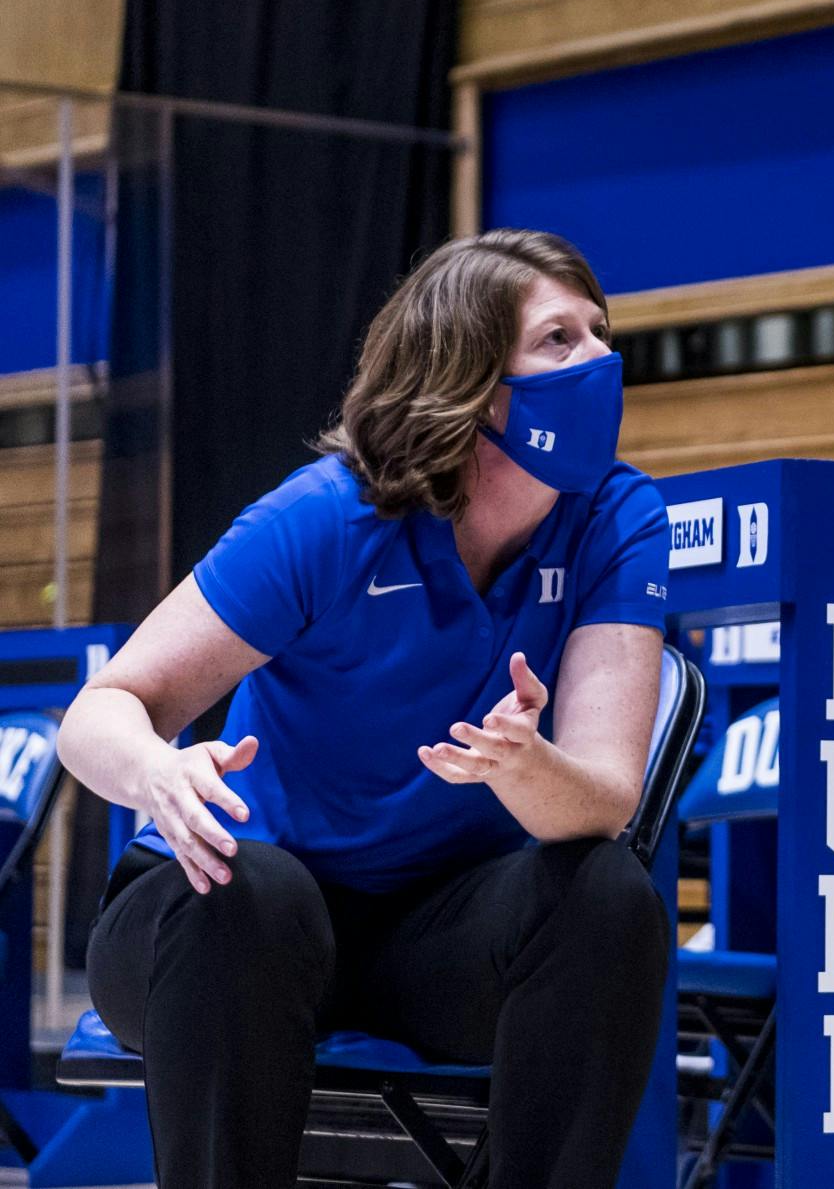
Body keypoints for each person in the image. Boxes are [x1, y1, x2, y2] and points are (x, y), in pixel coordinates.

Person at [58, 229, 675, 1189]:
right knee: (245, 892)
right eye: (560, 339)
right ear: (469, 378)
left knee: (606, 895)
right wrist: (158, 771)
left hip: (433, 938)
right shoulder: (327, 517)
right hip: (237, 925)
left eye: (600, 331)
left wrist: (526, 766)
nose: (602, 357)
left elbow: (602, 799)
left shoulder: (618, 519)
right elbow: (101, 710)